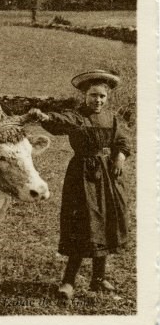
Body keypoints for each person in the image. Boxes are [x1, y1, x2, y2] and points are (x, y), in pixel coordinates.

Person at [29, 69, 131, 300]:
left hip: (108, 177)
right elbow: (60, 121)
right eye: (94, 95)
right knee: (83, 224)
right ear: (85, 95)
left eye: (102, 97)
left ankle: (98, 278)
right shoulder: (77, 116)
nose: (98, 100)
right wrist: (45, 117)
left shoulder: (111, 118)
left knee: (105, 222)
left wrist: (120, 156)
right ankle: (68, 281)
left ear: (107, 98)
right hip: (83, 176)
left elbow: (122, 140)